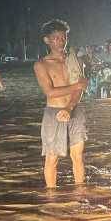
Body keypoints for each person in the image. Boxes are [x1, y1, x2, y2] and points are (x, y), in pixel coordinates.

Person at [33, 19, 89, 188]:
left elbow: (79, 90)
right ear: (47, 40)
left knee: (77, 155)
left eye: (64, 38)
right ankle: (51, 197)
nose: (61, 42)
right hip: (54, 113)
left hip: (74, 109)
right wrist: (76, 86)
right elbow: (49, 91)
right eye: (56, 38)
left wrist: (69, 107)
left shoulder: (75, 61)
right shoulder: (41, 65)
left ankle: (80, 194)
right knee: (52, 157)